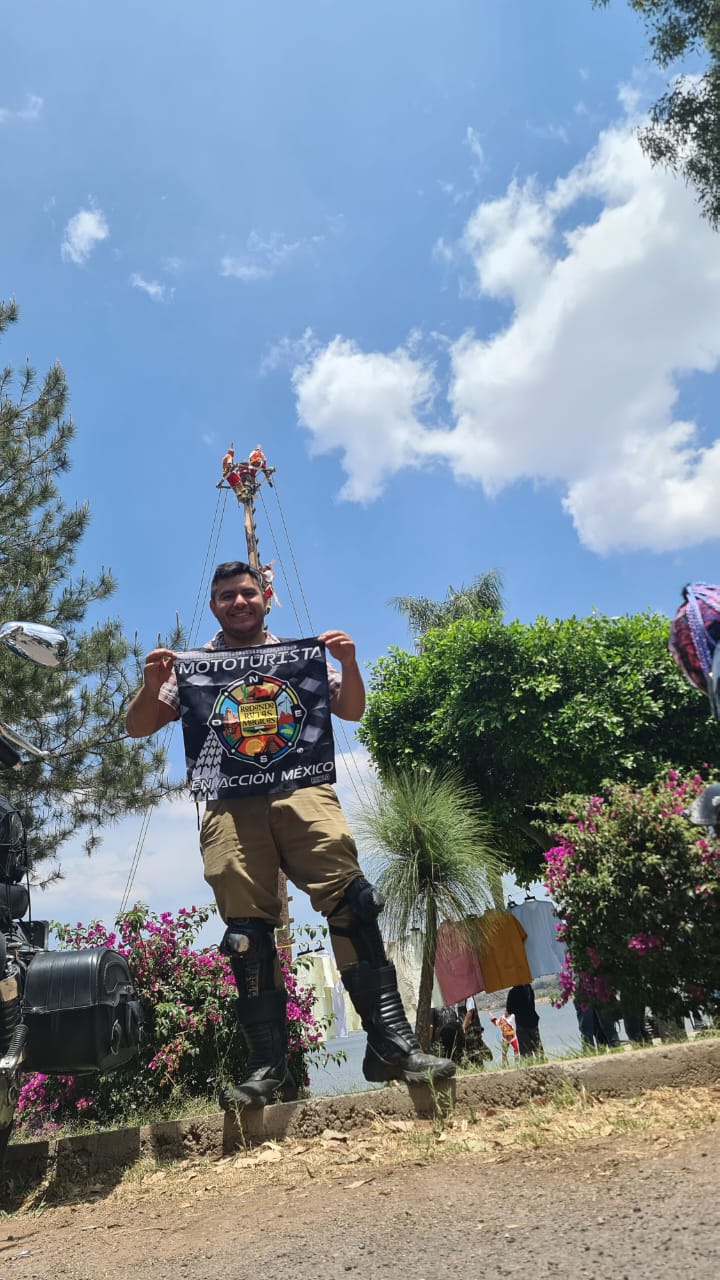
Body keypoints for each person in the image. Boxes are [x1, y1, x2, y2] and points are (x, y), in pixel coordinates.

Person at [126, 560, 454, 1107]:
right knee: (246, 935)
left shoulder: (298, 660)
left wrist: (348, 663)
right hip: (230, 804)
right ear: (214, 606)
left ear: (265, 599)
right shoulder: (195, 668)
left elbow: (351, 710)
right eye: (227, 595)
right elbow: (138, 726)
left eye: (247, 593)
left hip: (302, 789)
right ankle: (267, 1068)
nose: (238, 602)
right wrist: (152, 685)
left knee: (355, 902)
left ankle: (392, 1045)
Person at [505, 984, 544, 1058]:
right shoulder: (529, 988)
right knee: (537, 1046)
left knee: (525, 1050)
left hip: (521, 1023)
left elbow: (509, 1010)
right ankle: (541, 1061)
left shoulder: (513, 992)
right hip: (533, 1020)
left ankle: (529, 1065)